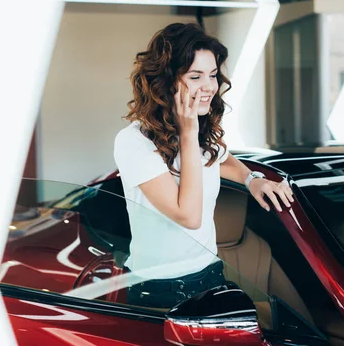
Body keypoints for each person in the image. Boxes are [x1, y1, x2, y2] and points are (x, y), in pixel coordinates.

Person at [113, 23, 294, 309]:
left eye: (212, 75)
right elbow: (189, 216)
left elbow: (223, 160)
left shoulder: (200, 131)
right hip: (161, 290)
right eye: (195, 76)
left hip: (210, 274)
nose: (210, 86)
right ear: (166, 81)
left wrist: (252, 179)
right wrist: (187, 133)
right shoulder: (134, 141)